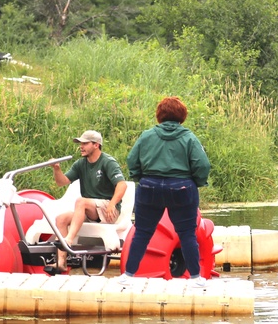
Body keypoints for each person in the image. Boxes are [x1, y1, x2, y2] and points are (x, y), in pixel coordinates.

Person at [118, 97, 211, 289]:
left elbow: (131, 159)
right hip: (182, 188)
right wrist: (197, 182)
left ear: (159, 116)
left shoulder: (147, 136)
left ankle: (128, 276)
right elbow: (202, 165)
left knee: (142, 233)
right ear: (182, 116)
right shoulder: (189, 138)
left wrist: (139, 177)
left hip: (149, 187)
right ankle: (195, 278)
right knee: (187, 234)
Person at [51, 130, 128, 272]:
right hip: (91, 210)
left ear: (96, 145)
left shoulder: (107, 162)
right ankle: (61, 262)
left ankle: (68, 240)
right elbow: (62, 182)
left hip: (108, 209)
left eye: (85, 143)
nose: (81, 146)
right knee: (61, 219)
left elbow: (122, 184)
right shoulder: (81, 164)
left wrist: (112, 204)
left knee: (81, 201)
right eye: (80, 143)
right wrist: (56, 169)